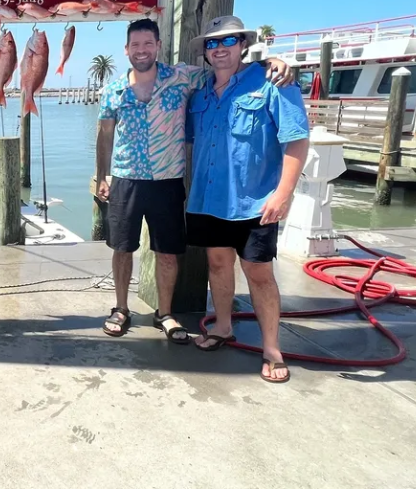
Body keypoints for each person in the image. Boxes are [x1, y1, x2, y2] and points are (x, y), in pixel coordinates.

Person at [95, 19, 292, 342]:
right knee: (122, 249)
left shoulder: (183, 77)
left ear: (158, 46)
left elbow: (229, 68)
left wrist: (269, 62)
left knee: (168, 252)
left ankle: (165, 313)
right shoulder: (113, 89)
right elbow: (104, 132)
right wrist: (103, 174)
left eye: (147, 43)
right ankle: (120, 308)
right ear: (126, 49)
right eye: (135, 45)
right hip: (126, 178)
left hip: (169, 179)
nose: (141, 50)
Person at [184, 16, 310, 383]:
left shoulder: (273, 81)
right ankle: (223, 327)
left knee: (259, 273)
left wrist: (283, 195)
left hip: (255, 202)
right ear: (205, 52)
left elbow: (297, 140)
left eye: (228, 41)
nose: (219, 49)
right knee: (218, 265)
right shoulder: (201, 92)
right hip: (208, 200)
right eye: (212, 43)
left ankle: (272, 349)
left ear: (242, 44)